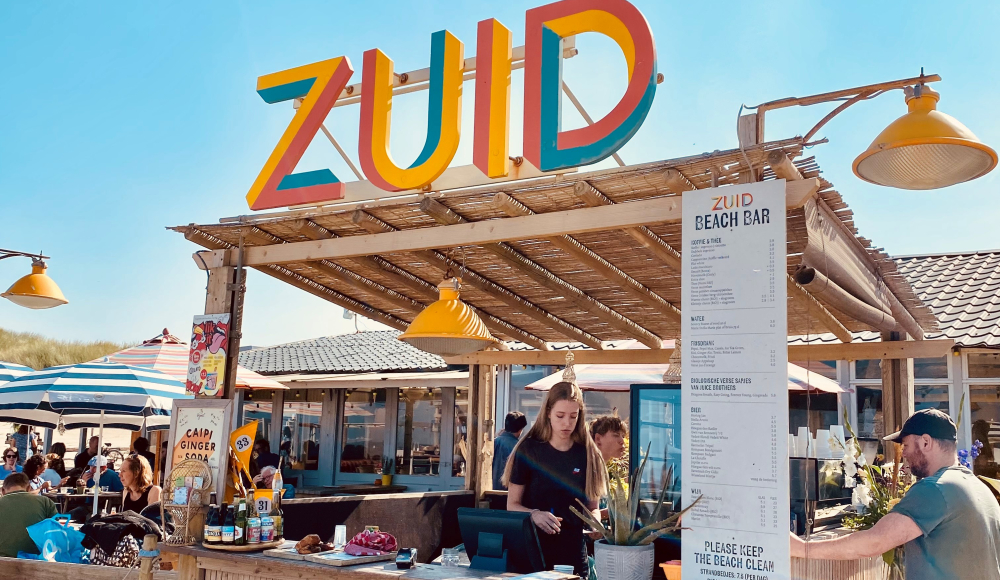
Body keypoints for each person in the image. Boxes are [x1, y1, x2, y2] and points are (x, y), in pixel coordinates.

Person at [790, 409, 1000, 580]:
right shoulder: (978, 487)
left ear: (926, 442)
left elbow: (875, 542)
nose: (903, 453)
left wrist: (802, 548)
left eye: (906, 445)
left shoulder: (935, 488)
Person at [503, 382, 608, 575]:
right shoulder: (529, 450)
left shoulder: (587, 453)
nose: (566, 423)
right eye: (560, 416)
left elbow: (593, 506)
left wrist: (595, 522)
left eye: (573, 416)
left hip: (573, 554)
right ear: (548, 412)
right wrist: (534, 514)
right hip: (532, 552)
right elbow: (512, 504)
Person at [0, 473, 57, 557]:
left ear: (2, 491)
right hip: (37, 560)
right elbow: (57, 531)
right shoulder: (45, 502)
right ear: (29, 488)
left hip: (3, 561)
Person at [492, 411, 527, 490]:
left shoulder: (493, 442)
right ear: (520, 429)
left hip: (490, 492)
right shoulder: (519, 447)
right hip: (509, 494)